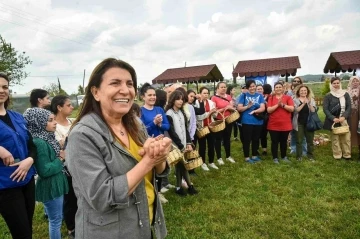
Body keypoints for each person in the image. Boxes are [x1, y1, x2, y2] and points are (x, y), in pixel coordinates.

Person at [66, 58, 171, 239]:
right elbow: (102, 197)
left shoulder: (135, 124)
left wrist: (158, 154)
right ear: (96, 92)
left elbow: (158, 172)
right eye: (115, 83)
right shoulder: (82, 136)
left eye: (129, 84)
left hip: (145, 225)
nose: (125, 90)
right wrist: (147, 162)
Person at [0, 72, 37, 239]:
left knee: (28, 228)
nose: (1, 90)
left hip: (27, 180)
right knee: (21, 233)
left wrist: (29, 160)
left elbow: (32, 146)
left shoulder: (17, 117)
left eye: (5, 87)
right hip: (6, 186)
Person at [24, 107, 69, 239]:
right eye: (50, 120)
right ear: (38, 123)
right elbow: (44, 170)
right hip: (50, 186)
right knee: (55, 221)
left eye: (54, 119)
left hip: (55, 183)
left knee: (57, 218)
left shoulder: (47, 138)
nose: (55, 123)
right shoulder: (40, 142)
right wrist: (61, 158)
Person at [51, 95, 77, 239]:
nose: (72, 107)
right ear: (59, 107)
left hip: (78, 164)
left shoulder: (73, 122)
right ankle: (71, 227)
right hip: (65, 169)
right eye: (68, 105)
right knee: (70, 199)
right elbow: (58, 146)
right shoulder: (54, 125)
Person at [139, 83, 170, 204]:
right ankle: (152, 192)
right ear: (143, 97)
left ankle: (160, 191)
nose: (152, 97)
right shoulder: (141, 111)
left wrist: (160, 124)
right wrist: (153, 123)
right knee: (150, 169)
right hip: (148, 145)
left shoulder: (159, 109)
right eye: (149, 95)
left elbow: (167, 126)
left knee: (161, 167)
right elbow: (141, 130)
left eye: (154, 95)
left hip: (161, 143)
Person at [165, 90, 198, 196]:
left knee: (180, 166)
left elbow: (185, 128)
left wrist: (188, 142)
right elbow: (172, 132)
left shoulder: (182, 112)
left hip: (183, 143)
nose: (180, 101)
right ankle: (189, 186)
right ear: (173, 99)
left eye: (182, 99)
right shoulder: (169, 113)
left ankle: (179, 187)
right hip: (175, 145)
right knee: (182, 165)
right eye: (178, 99)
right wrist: (180, 145)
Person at [237, 80, 265, 163]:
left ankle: (254, 155)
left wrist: (255, 111)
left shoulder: (260, 96)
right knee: (247, 139)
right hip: (247, 121)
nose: (252, 88)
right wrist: (247, 106)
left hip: (258, 121)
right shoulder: (244, 95)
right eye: (250, 86)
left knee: (256, 139)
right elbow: (239, 108)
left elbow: (263, 108)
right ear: (247, 87)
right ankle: (247, 157)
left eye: (253, 86)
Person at [323, 77, 351, 160]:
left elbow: (349, 107)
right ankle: (337, 155)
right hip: (334, 120)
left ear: (340, 83)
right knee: (335, 139)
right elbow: (325, 108)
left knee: (346, 138)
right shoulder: (328, 95)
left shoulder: (345, 94)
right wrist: (332, 118)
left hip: (344, 119)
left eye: (337, 83)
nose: (336, 85)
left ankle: (347, 155)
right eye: (334, 83)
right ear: (331, 84)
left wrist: (344, 116)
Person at [267, 82, 295, 164]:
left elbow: (292, 109)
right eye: (276, 87)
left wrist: (282, 105)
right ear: (274, 89)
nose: (278, 88)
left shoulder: (288, 98)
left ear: (283, 88)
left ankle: (284, 156)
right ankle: (275, 157)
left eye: (280, 87)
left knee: (283, 141)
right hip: (273, 124)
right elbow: (269, 110)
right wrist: (277, 105)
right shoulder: (271, 98)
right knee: (274, 141)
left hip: (285, 124)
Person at [211, 82, 236, 164]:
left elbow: (233, 108)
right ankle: (219, 158)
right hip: (219, 121)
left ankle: (228, 156)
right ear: (217, 88)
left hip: (228, 120)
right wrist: (224, 108)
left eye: (225, 87)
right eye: (221, 87)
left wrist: (230, 108)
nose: (224, 88)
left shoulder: (229, 97)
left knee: (227, 138)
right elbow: (214, 112)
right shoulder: (214, 98)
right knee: (218, 139)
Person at [195, 87, 217, 171]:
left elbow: (214, 116)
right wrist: (209, 113)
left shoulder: (211, 102)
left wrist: (214, 112)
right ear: (200, 94)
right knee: (202, 146)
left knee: (211, 145)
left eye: (207, 93)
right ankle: (203, 163)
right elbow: (198, 117)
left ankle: (211, 162)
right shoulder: (196, 103)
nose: (206, 95)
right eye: (204, 93)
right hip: (201, 127)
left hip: (210, 126)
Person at [292, 85, 317, 161]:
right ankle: (299, 156)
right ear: (299, 92)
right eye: (301, 91)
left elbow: (313, 111)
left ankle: (310, 155)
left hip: (309, 123)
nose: (303, 92)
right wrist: (303, 103)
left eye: (305, 90)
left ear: (307, 91)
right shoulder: (295, 100)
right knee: (299, 140)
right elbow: (296, 110)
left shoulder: (311, 99)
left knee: (310, 140)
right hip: (299, 123)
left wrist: (309, 103)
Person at [347, 76, 360, 158]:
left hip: (359, 114)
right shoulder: (347, 92)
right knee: (352, 131)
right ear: (350, 82)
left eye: (357, 81)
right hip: (352, 114)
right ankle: (349, 151)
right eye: (353, 81)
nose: (355, 83)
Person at [258, 84, 272, 156]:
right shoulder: (256, 97)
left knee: (263, 134)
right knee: (257, 135)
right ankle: (256, 149)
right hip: (257, 117)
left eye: (261, 89)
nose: (259, 90)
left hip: (266, 118)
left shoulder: (269, 97)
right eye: (258, 89)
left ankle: (264, 150)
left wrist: (265, 103)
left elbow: (270, 107)